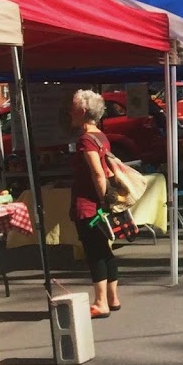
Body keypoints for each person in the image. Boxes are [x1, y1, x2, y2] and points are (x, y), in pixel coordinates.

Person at [68, 89, 120, 319]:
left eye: (72, 107)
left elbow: (98, 174)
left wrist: (102, 202)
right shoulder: (101, 136)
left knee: (94, 252)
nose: (69, 111)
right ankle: (112, 297)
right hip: (99, 203)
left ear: (81, 111)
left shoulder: (86, 140)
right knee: (105, 250)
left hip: (89, 205)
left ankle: (100, 303)